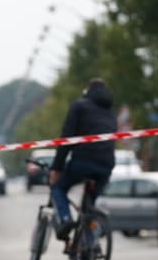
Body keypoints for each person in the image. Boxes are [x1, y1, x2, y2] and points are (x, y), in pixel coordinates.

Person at [49, 78, 116, 240]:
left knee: (58, 189)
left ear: (87, 90)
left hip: (83, 161)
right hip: (106, 166)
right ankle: (91, 245)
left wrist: (56, 168)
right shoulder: (110, 112)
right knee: (89, 206)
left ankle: (65, 219)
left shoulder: (79, 106)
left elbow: (67, 138)